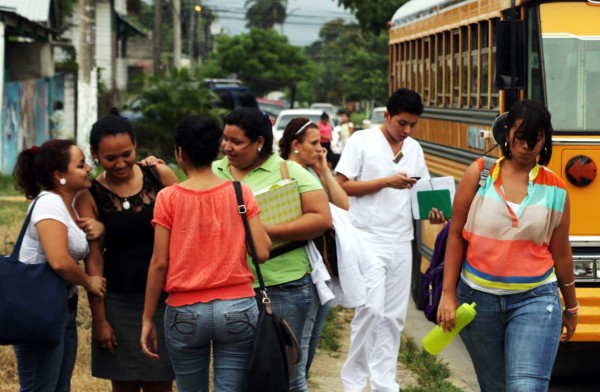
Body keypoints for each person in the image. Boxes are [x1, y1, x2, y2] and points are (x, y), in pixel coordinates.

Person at [437, 100, 578, 391]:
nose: (526, 146)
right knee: (496, 386)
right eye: (520, 136)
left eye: (535, 138)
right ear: (507, 134)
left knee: (525, 387)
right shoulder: (480, 174)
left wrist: (572, 307)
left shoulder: (556, 188)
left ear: (544, 141)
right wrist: (448, 294)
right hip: (477, 302)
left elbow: (561, 252)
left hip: (535, 299)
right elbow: (455, 234)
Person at [140, 115, 271, 391]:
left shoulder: (168, 198)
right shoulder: (240, 192)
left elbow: (159, 263)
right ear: (217, 150)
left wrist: (147, 318)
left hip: (184, 310)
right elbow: (261, 251)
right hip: (237, 308)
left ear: (179, 152)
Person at [212, 107, 332, 392]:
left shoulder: (288, 171)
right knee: (238, 374)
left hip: (284, 285)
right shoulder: (214, 170)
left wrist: (262, 230)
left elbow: (321, 218)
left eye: (236, 142)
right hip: (230, 287)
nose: (227, 147)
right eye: (225, 139)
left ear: (259, 142)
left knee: (288, 374)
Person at [336, 88, 443, 392]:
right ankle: (354, 384)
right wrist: (385, 182)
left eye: (413, 126)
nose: (407, 131)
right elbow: (342, 186)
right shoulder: (362, 141)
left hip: (401, 239)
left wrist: (434, 212)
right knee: (370, 310)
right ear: (387, 116)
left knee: (394, 317)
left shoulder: (414, 149)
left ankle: (385, 384)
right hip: (366, 238)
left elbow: (420, 194)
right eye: (402, 124)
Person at [75, 109, 178, 392]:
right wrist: (100, 320)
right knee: (124, 384)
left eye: (126, 154)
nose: (120, 163)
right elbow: (93, 263)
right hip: (118, 302)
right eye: (110, 158)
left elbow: (188, 223)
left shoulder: (159, 175)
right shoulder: (90, 195)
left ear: (136, 144)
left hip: (163, 298)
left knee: (160, 384)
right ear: (95, 154)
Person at [12, 140, 107, 391]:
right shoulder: (48, 204)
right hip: (39, 311)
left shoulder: (68, 205)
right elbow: (60, 261)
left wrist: (100, 229)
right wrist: (89, 282)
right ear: (59, 176)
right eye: (80, 164)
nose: (88, 168)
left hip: (60, 310)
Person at [278, 117, 350, 376]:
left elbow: (343, 206)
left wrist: (325, 169)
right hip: (302, 267)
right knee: (301, 343)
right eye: (315, 143)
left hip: (322, 266)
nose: (321, 148)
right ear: (296, 145)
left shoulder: (312, 172)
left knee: (313, 337)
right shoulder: (285, 171)